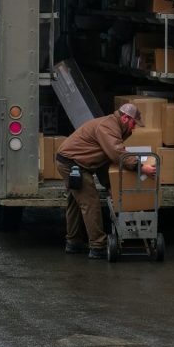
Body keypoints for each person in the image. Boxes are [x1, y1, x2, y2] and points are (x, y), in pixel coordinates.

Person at [55, 103, 157, 259]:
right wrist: (141, 167)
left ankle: (73, 243)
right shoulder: (108, 127)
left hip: (74, 162)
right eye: (133, 123)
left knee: (75, 203)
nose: (134, 128)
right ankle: (98, 246)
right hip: (72, 164)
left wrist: (109, 185)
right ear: (125, 117)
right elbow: (117, 154)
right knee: (91, 203)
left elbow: (103, 161)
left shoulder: (113, 126)